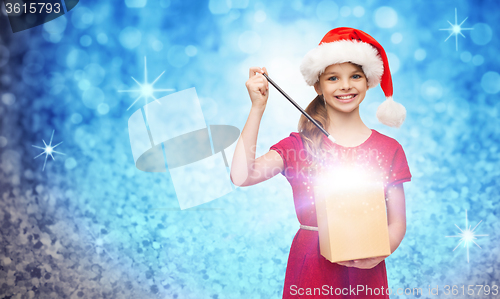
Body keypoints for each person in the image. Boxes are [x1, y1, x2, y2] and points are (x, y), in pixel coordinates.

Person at [230, 27, 411, 298]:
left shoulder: (389, 149)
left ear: (368, 81)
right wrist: (257, 108)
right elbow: (242, 176)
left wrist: (380, 252)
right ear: (318, 85)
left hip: (367, 268)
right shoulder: (298, 145)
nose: (346, 85)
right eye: (333, 78)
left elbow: (397, 222)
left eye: (355, 76)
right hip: (310, 269)